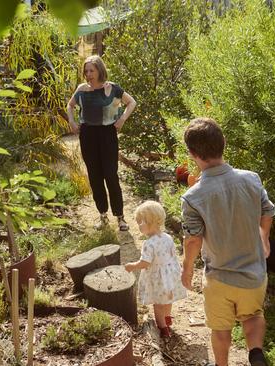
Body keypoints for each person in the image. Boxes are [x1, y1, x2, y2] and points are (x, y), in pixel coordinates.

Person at [180, 118, 275, 366]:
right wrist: (264, 239)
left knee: (220, 330)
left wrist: (187, 268)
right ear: (224, 143)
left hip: (219, 278)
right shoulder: (251, 179)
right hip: (253, 274)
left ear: (192, 154)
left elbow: (193, 240)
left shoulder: (193, 197)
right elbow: (268, 211)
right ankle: (255, 352)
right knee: (253, 316)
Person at [67, 55, 137, 231]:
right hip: (88, 135)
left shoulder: (112, 88)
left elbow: (131, 103)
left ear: (100, 70)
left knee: (111, 175)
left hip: (107, 135)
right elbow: (70, 105)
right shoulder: (82, 89)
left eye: (92, 70)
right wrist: (72, 122)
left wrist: (121, 119)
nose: (88, 74)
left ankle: (120, 217)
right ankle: (102, 215)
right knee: (95, 176)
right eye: (86, 71)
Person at [124, 200, 187, 338]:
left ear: (152, 222)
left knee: (158, 304)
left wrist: (132, 266)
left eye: (141, 221)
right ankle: (167, 320)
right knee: (167, 300)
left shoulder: (149, 244)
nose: (139, 225)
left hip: (158, 278)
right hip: (169, 274)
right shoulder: (168, 237)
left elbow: (145, 263)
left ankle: (163, 328)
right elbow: (172, 256)